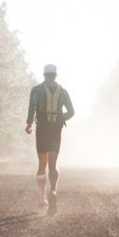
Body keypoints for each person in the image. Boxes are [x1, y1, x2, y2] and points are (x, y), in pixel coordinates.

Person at [26, 63, 74, 214]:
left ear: (44, 74)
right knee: (53, 164)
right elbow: (72, 112)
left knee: (42, 163)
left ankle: (42, 200)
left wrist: (29, 124)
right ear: (55, 75)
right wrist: (61, 118)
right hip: (56, 130)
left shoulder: (36, 90)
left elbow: (32, 106)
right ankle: (53, 191)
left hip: (42, 128)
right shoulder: (63, 91)